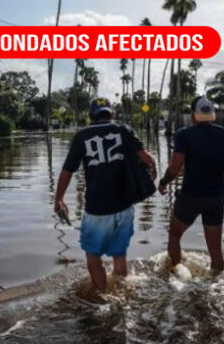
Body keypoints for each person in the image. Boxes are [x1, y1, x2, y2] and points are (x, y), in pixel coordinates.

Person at [54, 97, 157, 292]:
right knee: (119, 254)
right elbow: (148, 160)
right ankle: (121, 292)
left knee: (93, 256)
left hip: (97, 208)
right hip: (124, 206)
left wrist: (59, 198)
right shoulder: (123, 130)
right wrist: (152, 176)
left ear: (91, 115)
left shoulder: (81, 136)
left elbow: (68, 171)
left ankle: (102, 297)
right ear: (111, 113)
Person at [158, 96, 224, 274]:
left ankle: (178, 275)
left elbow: (175, 169)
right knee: (216, 251)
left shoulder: (184, 135)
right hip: (215, 198)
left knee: (174, 236)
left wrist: (163, 183)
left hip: (190, 197)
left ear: (193, 114)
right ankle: (216, 284)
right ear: (212, 114)